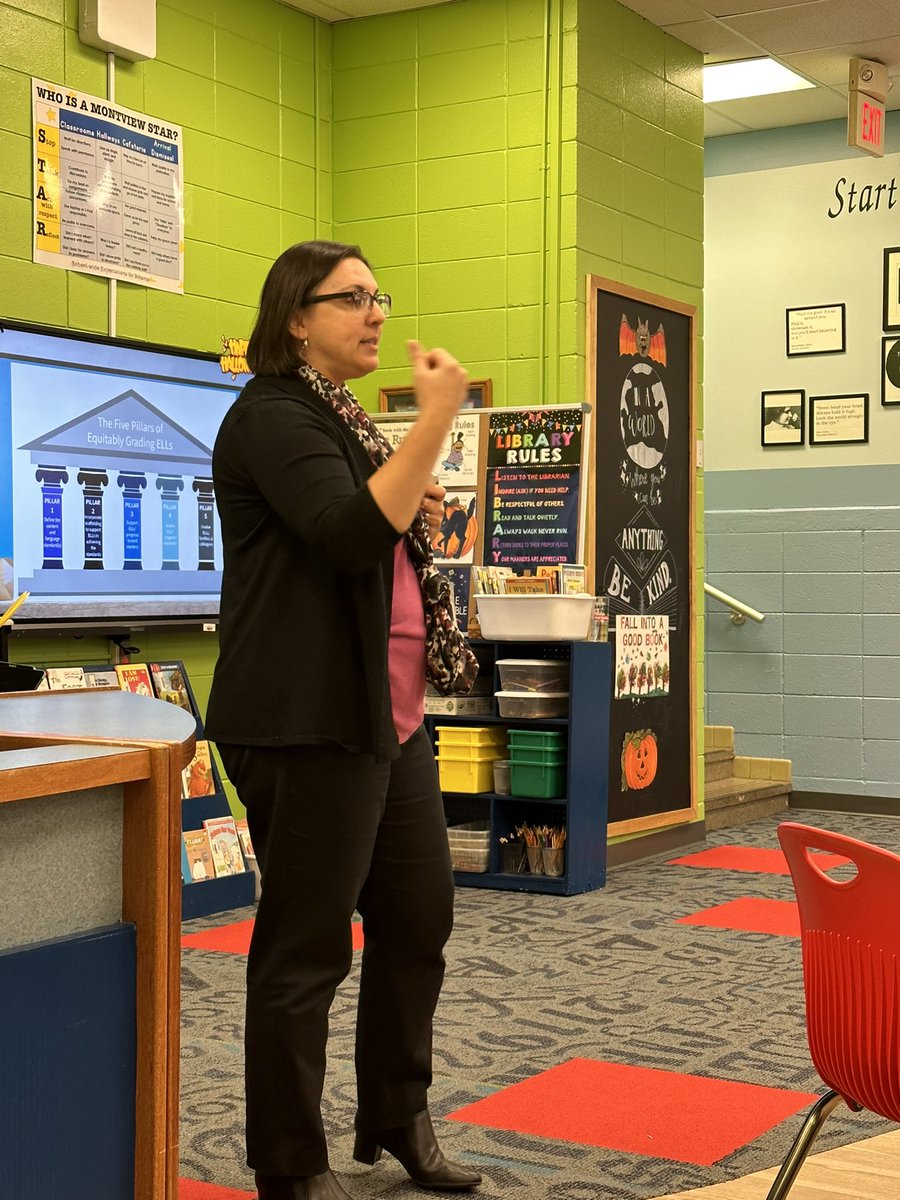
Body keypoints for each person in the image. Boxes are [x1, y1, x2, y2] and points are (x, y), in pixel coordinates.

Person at [205, 240, 482, 1200]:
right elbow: (342, 534)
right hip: (308, 719)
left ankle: (398, 1114)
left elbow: (374, 522)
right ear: (295, 318)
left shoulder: (343, 418)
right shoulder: (271, 414)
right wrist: (435, 425)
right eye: (352, 298)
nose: (375, 313)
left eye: (378, 295)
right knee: (308, 947)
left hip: (387, 717)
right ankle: (289, 1164)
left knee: (417, 920)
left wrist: (408, 492)